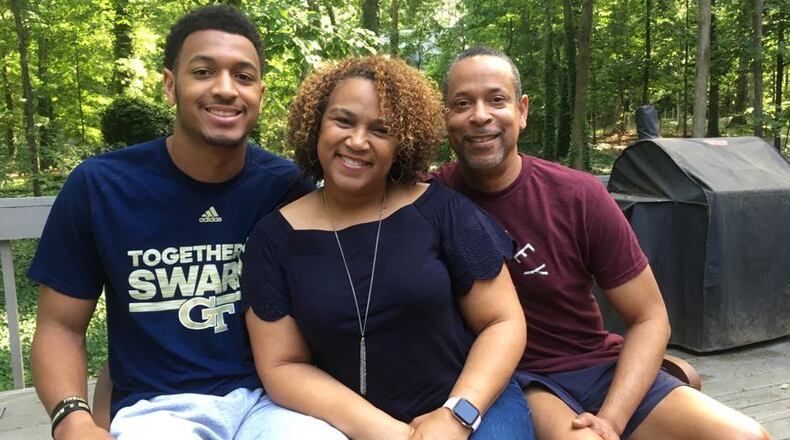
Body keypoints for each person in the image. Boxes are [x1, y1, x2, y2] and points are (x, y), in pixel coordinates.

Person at [28, 5, 347, 439]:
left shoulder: (288, 187)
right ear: (169, 84)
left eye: (244, 76)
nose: (225, 89)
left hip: (272, 400)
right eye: (202, 71)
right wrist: (72, 419)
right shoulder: (101, 187)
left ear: (261, 94)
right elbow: (59, 325)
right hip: (157, 411)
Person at [433, 46, 771, 440]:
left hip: (598, 365)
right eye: (462, 103)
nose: (480, 115)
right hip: (522, 380)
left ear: (522, 111)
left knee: (746, 436)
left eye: (496, 100)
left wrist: (612, 417)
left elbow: (649, 317)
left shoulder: (576, 194)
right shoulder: (429, 200)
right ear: (446, 118)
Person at [241, 55, 534, 440]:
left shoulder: (443, 211)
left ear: (402, 142)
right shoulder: (272, 238)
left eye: (380, 129)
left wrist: (455, 415)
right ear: (316, 125)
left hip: (475, 407)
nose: (358, 141)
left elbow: (503, 322)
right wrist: (389, 433)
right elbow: (282, 364)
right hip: (345, 425)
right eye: (343, 121)